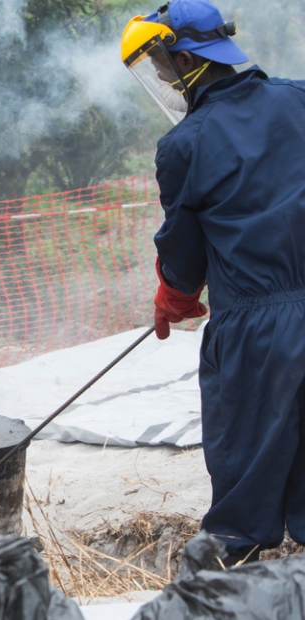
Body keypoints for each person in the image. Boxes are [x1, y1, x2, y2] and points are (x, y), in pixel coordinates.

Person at [121, 0, 305, 565]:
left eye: (160, 65)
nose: (160, 79)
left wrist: (172, 294)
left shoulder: (184, 145)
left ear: (186, 60)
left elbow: (183, 251)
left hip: (258, 331)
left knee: (241, 485)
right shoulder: (299, 98)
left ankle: (216, 584)